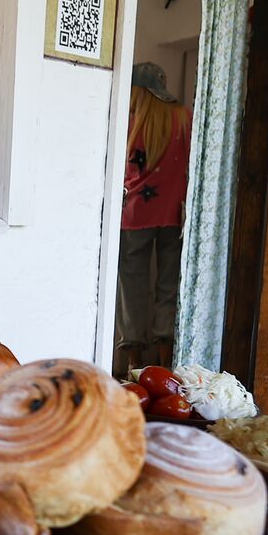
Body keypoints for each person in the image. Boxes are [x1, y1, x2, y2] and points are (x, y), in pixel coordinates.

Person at [115, 62, 193, 377]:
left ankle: (133, 365)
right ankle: (164, 364)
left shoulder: (130, 121)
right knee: (168, 286)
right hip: (173, 214)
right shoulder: (184, 119)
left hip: (134, 215)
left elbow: (123, 172)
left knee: (131, 286)